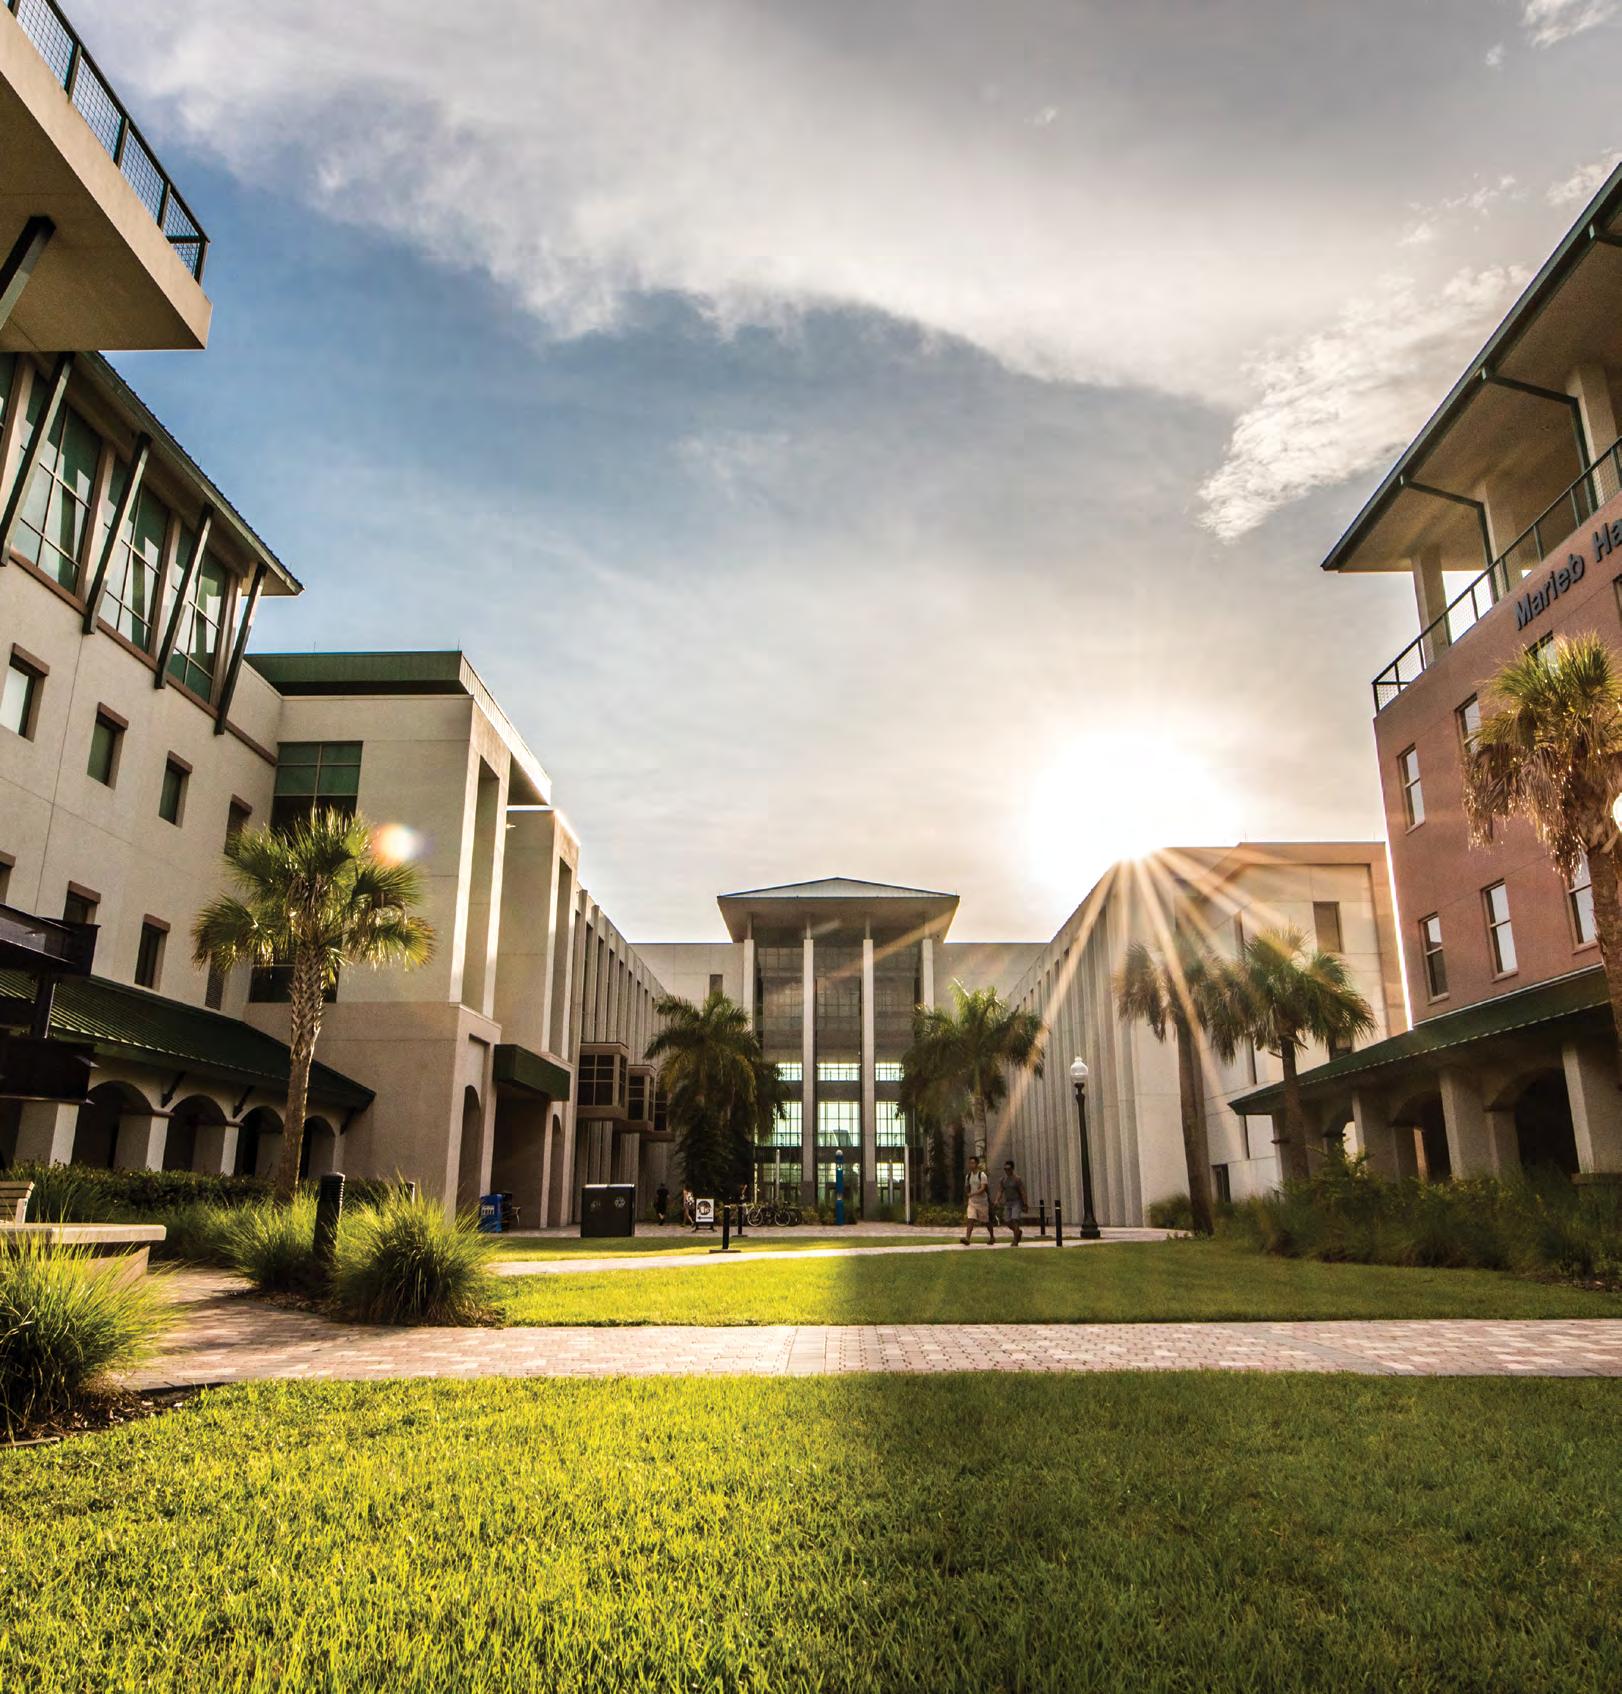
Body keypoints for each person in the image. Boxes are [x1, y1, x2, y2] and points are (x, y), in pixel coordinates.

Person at [960, 1155, 996, 1246]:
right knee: (970, 1219)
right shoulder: (968, 1176)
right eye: (970, 1163)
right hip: (972, 1202)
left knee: (986, 1221)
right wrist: (967, 1193)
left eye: (973, 1163)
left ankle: (992, 1236)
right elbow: (967, 1187)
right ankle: (967, 1238)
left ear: (977, 1164)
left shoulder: (982, 1175)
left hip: (982, 1202)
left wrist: (973, 1193)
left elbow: (983, 1188)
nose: (971, 1165)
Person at [997, 1160, 1028, 1246]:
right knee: (1007, 1221)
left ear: (1012, 1169)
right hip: (1008, 1202)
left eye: (1008, 1169)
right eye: (1005, 1169)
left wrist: (1025, 1203)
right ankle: (1018, 1231)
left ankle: (1015, 1240)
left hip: (1016, 1201)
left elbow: (1022, 1191)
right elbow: (1000, 1190)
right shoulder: (1003, 1180)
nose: (1007, 1171)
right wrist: (997, 1200)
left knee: (1015, 1220)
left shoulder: (1017, 1179)